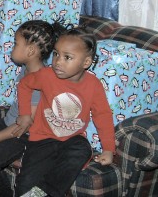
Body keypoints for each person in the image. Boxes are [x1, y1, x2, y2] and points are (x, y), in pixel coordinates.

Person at [0, 20, 62, 197]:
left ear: (30, 51)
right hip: (10, 123)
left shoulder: (41, 82)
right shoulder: (27, 67)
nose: (12, 47)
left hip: (26, 135)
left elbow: (25, 125)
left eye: (16, 43)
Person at [14, 27, 116, 197]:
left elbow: (103, 115)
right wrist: (25, 114)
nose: (58, 61)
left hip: (73, 139)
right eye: (56, 54)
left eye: (67, 57)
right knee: (25, 182)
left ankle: (45, 192)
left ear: (86, 63)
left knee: (82, 150)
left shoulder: (94, 85)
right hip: (42, 138)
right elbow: (24, 85)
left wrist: (108, 149)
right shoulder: (46, 75)